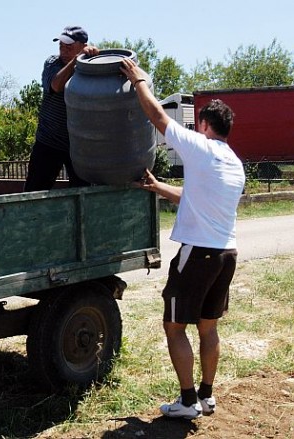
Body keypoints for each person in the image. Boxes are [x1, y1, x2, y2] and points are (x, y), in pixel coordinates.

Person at [120, 57, 245, 420]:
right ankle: (207, 396)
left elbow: (158, 117)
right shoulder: (233, 162)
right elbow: (198, 197)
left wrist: (140, 80)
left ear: (204, 125)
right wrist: (159, 187)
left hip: (199, 254)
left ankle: (187, 401)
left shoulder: (199, 147)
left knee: (174, 327)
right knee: (208, 327)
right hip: (227, 254)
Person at [24, 26, 99, 191]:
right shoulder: (52, 63)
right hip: (48, 142)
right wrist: (76, 60)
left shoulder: (91, 68)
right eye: (61, 46)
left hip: (79, 145)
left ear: (83, 45)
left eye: (69, 47)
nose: (63, 51)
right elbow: (56, 85)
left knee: (83, 193)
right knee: (35, 192)